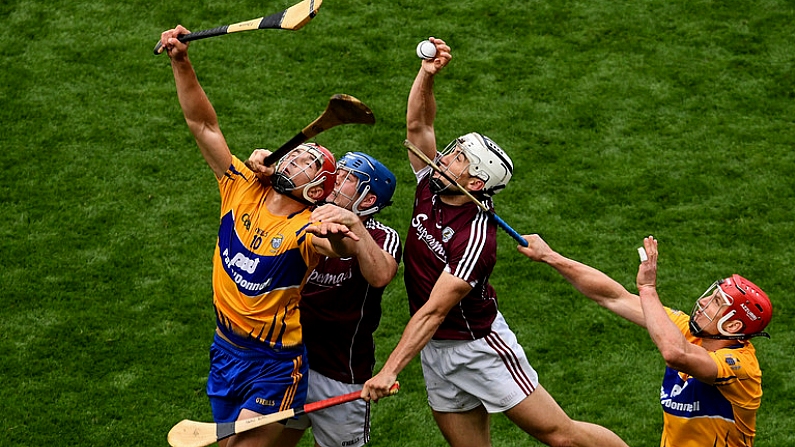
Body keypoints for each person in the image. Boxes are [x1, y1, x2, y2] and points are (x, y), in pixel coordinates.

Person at [361, 37, 629, 447]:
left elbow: (434, 311)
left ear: (475, 182)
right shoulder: (431, 186)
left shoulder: (476, 238)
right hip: (434, 349)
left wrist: (390, 369)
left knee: (562, 436)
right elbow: (420, 126)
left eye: (457, 158)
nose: (444, 157)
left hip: (478, 348)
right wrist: (426, 75)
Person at [160, 26, 363, 447]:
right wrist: (181, 61)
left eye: (307, 164)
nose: (294, 160)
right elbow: (203, 125)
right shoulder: (241, 185)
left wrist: (341, 234)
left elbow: (335, 246)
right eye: (297, 155)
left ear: (314, 191)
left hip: (274, 365)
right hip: (224, 350)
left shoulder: (306, 227)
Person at [518, 234, 772, 446]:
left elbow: (676, 354)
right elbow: (613, 297)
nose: (703, 301)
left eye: (717, 303)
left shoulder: (740, 368)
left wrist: (648, 290)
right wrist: (550, 256)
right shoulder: (687, 331)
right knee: (566, 436)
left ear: (733, 325)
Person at [247, 150, 402, 447]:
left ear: (367, 201)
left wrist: (354, 225)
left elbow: (381, 275)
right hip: (287, 363)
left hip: (340, 373)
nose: (335, 179)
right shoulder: (304, 212)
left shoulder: (382, 237)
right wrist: (263, 167)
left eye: (347, 179)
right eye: (337, 172)